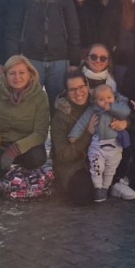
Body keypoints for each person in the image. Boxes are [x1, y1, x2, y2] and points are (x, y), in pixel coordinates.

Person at [5, 0, 81, 99]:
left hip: (59, 60)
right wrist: (13, 61)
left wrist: (74, 61)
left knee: (59, 104)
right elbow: (12, 31)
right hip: (30, 59)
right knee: (29, 103)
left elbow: (73, 30)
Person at [68, 82, 133, 202]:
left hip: (115, 144)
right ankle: (98, 188)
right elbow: (82, 122)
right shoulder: (93, 110)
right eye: (101, 99)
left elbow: (126, 112)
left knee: (110, 168)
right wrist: (74, 135)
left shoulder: (118, 105)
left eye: (109, 98)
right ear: (95, 101)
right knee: (97, 166)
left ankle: (105, 187)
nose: (106, 102)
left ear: (114, 96)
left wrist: (111, 108)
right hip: (98, 143)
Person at [0, 55, 51, 173]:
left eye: (22, 72)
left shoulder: (40, 96)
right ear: (5, 75)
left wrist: (15, 150)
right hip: (1, 142)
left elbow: (40, 132)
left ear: (30, 74)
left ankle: (25, 174)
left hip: (26, 145)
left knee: (37, 158)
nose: (17, 77)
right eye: (12, 73)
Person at [51, 70, 94, 203]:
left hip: (101, 159)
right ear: (67, 92)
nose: (78, 93)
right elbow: (63, 156)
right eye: (72, 89)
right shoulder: (61, 116)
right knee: (83, 195)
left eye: (81, 87)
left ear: (87, 86)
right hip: (73, 165)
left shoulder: (99, 102)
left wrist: (124, 122)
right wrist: (87, 134)